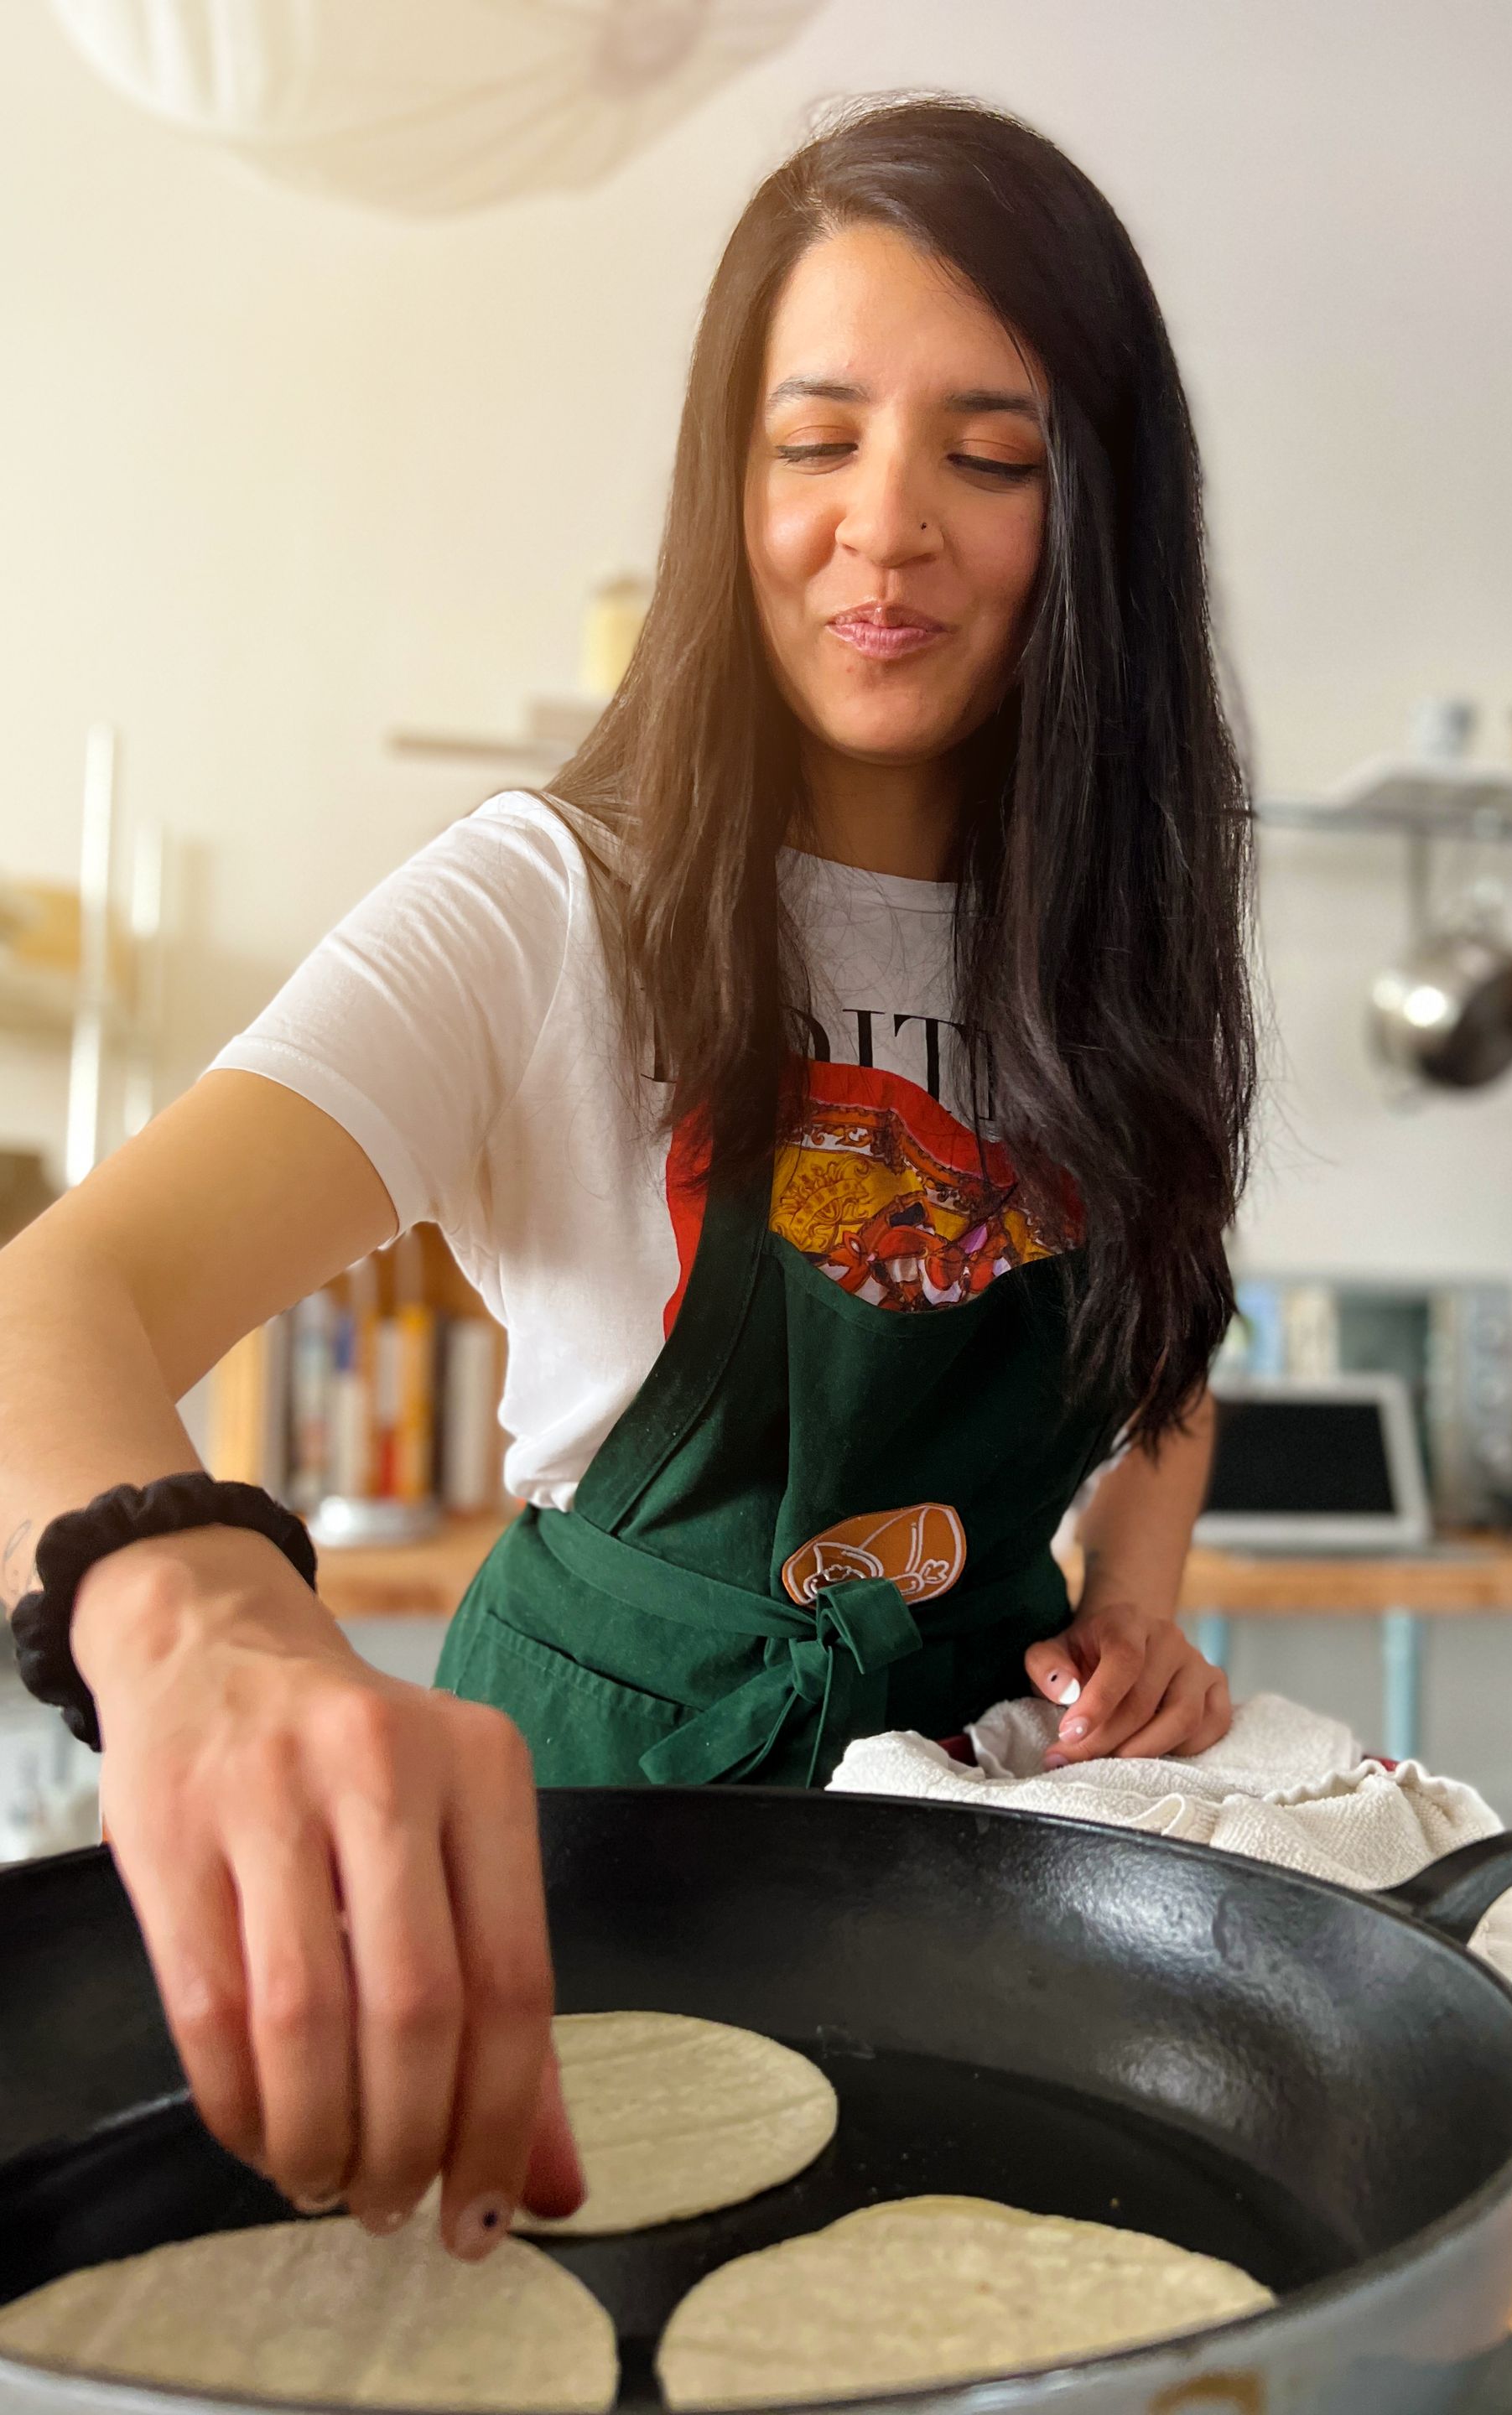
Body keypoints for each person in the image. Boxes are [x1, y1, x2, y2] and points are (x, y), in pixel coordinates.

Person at [0, 96, 1255, 2267]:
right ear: (726, 479)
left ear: (1099, 509)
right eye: (815, 439)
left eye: (990, 451)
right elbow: (60, 1297)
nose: (887, 528)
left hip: (981, 1874)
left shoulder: (1119, 940)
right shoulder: (551, 907)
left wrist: (1131, 1593)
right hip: (588, 1851)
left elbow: (1161, 1329)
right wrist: (192, 1608)